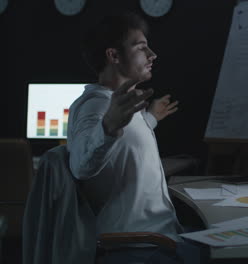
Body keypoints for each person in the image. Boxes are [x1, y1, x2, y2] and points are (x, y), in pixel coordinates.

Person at [67, 12, 197, 263]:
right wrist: (107, 126)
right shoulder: (95, 106)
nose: (152, 55)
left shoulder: (122, 104)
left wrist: (150, 119)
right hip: (138, 247)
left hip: (157, 238)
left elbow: (123, 151)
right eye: (141, 47)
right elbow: (80, 166)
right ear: (114, 56)